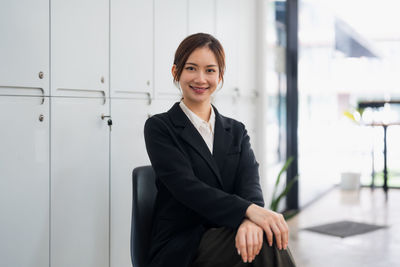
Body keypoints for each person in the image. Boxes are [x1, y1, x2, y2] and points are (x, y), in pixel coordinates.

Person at [144, 33, 296, 267]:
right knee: (267, 242)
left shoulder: (236, 130)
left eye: (210, 70)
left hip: (229, 232)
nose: (201, 79)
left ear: (221, 76)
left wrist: (250, 222)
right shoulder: (160, 127)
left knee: (261, 236)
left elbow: (250, 182)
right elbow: (188, 189)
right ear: (176, 72)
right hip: (183, 244)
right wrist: (248, 211)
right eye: (191, 68)